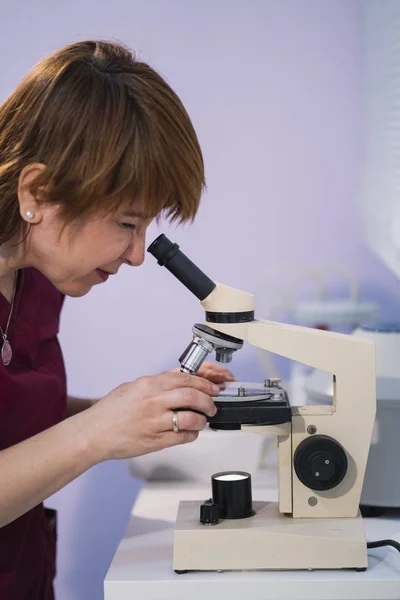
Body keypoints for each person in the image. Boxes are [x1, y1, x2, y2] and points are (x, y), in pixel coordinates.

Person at [0, 40, 235, 599]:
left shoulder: (37, 278)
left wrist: (133, 409)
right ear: (38, 191)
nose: (136, 254)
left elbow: (14, 411)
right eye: (128, 223)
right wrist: (97, 434)